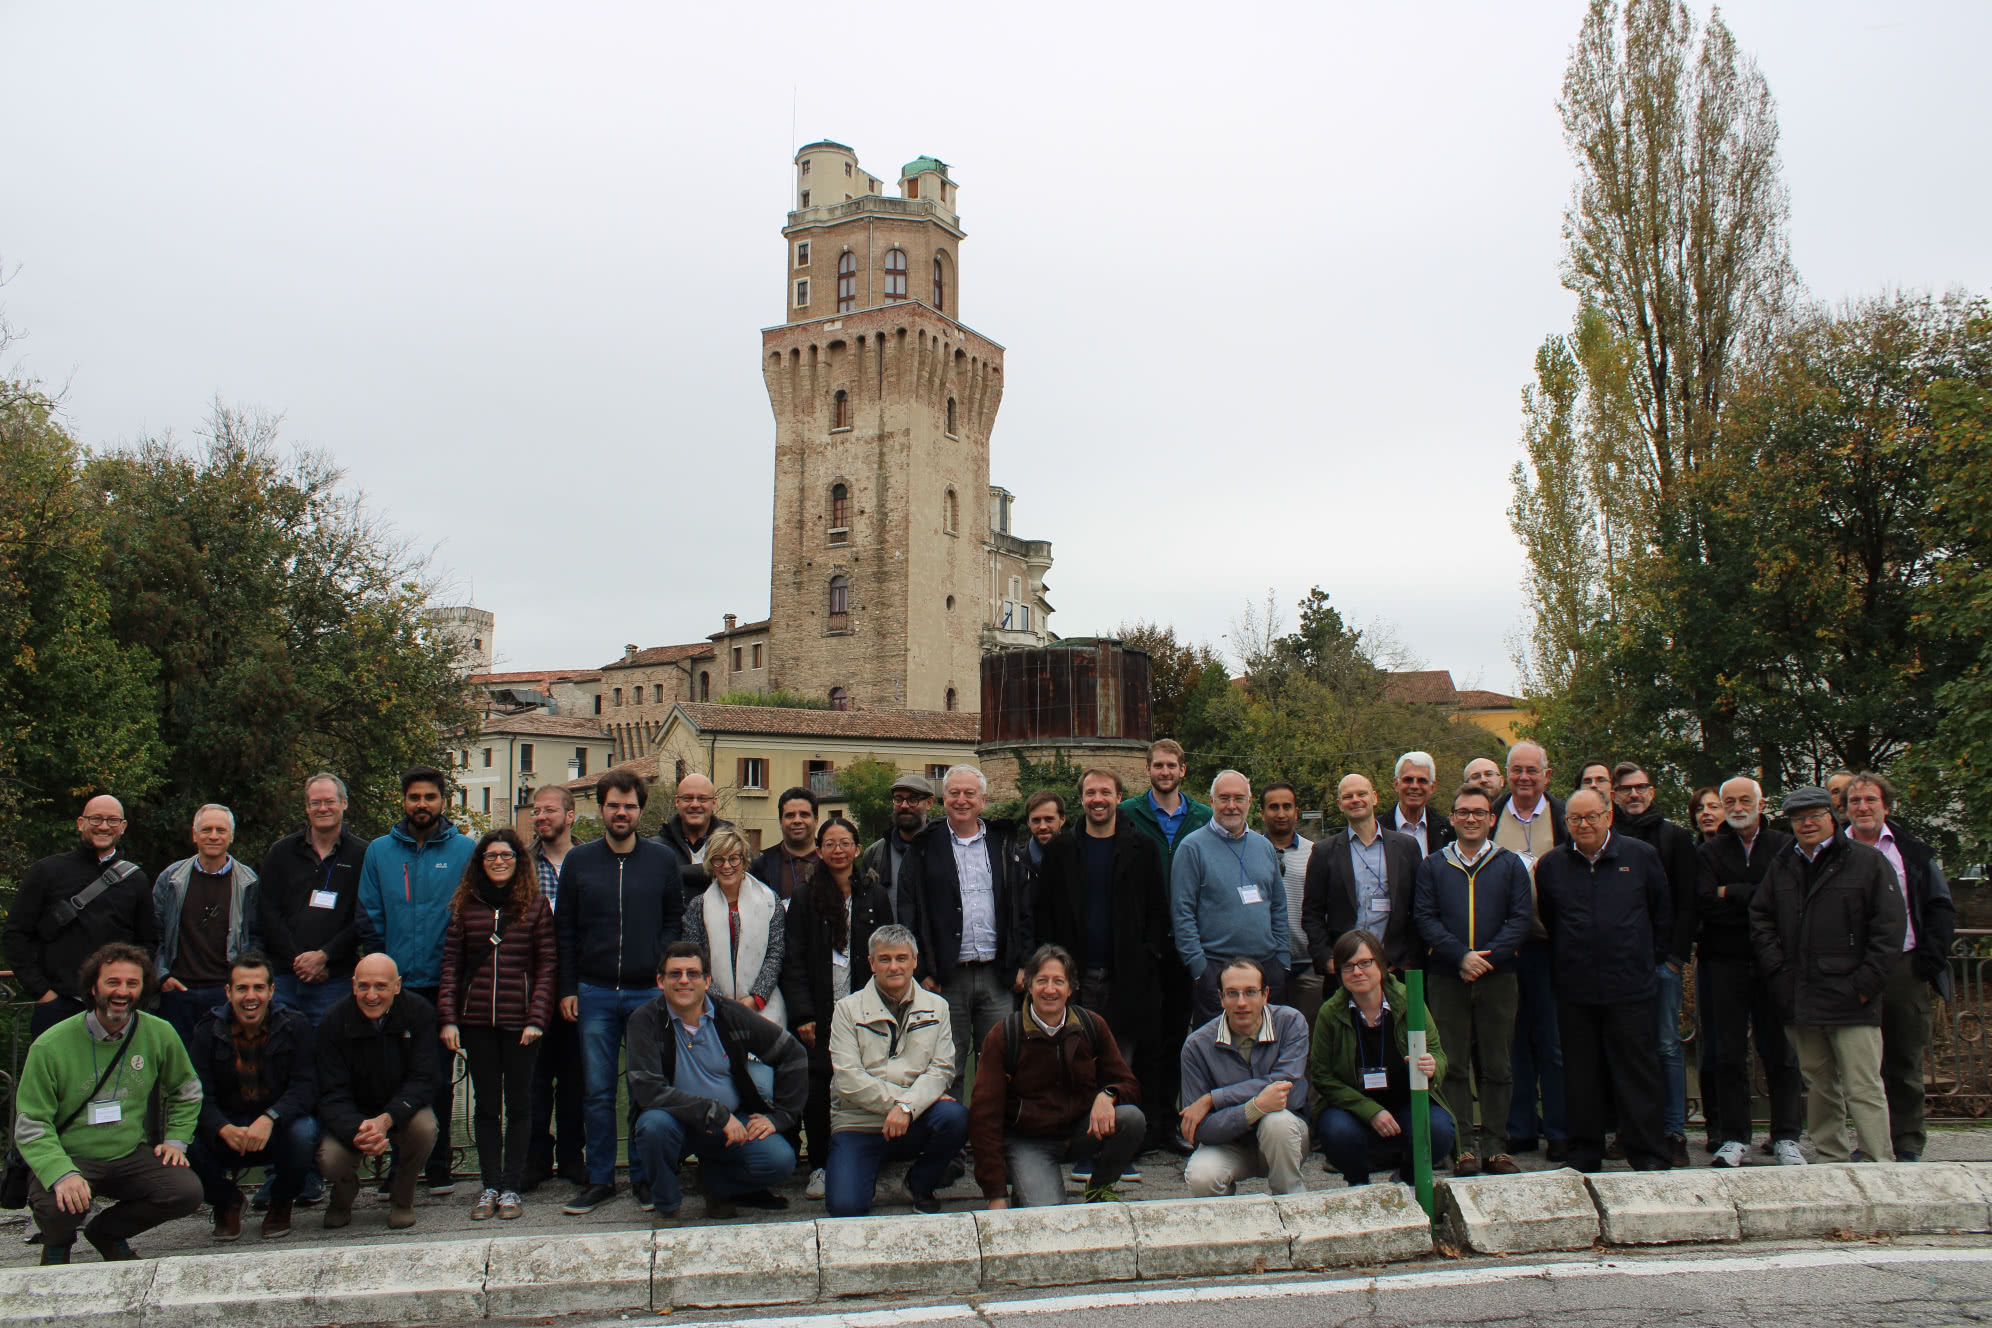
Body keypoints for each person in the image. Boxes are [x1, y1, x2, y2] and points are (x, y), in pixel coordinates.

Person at [15, 942, 202, 1264]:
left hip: (129, 1152)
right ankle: (58, 1244)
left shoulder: (159, 1033)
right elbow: (31, 1124)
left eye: (132, 983)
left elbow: (188, 1090)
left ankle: (107, 1233)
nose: (122, 992)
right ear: (92, 987)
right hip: (72, 1155)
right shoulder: (50, 1045)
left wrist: (176, 1140)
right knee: (58, 1204)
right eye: (113, 982)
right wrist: (62, 1173)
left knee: (186, 1192)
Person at [1751, 785, 1905, 1164]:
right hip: (1802, 995)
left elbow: (1889, 929)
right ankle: (1831, 1159)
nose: (1807, 824)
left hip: (1853, 996)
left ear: (1831, 817)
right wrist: (1779, 972)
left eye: (1815, 816)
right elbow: (1761, 918)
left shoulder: (1867, 862)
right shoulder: (1783, 864)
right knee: (1820, 1084)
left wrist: (1866, 985)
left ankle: (1877, 1162)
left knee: (1863, 1085)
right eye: (1798, 818)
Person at [557, 768, 686, 1215]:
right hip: (592, 990)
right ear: (601, 808)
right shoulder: (579, 861)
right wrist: (567, 987)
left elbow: (674, 918)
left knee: (644, 1088)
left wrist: (661, 966)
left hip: (645, 994)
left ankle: (643, 1176)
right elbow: (565, 929)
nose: (621, 813)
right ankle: (599, 1179)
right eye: (613, 805)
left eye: (629, 806)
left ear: (641, 810)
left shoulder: (662, 860)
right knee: (596, 1091)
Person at [1534, 789, 1672, 1172]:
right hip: (1575, 988)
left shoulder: (1640, 856)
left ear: (1608, 817)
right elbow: (1550, 919)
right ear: (1566, 824)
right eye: (1575, 819)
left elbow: (1661, 913)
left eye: (1591, 817)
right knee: (1581, 1076)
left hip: (1631, 986)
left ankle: (1648, 1154)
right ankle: (1584, 1154)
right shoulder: (1552, 866)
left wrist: (1646, 959)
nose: (1584, 825)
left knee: (1637, 1074)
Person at [626, 941, 806, 1224]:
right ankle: (668, 1205)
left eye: (693, 973)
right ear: (660, 981)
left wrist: (781, 1117)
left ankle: (717, 1186)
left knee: (780, 1162)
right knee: (652, 1127)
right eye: (675, 974)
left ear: (707, 980)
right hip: (676, 1123)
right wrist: (714, 1113)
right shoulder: (644, 1021)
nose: (684, 980)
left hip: (732, 1125)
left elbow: (792, 1054)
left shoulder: (730, 1015)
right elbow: (648, 1091)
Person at [357, 766, 475, 1197]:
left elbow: (472, 915)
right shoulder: (379, 851)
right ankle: (397, 1167)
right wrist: (380, 973)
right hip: (393, 988)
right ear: (403, 801)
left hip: (442, 983)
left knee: (440, 1076)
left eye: (429, 797)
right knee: (391, 1077)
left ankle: (440, 1165)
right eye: (414, 797)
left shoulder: (466, 850)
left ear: (443, 801)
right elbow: (369, 915)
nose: (421, 805)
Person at [1412, 784, 1532, 1176]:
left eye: (1479, 812)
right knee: (1453, 1064)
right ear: (1453, 817)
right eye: (1463, 812)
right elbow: (1425, 919)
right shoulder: (1433, 865)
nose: (1471, 819)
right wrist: (1460, 955)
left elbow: (1520, 920)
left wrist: (1488, 958)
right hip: (1448, 976)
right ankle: (1462, 1147)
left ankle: (1497, 1146)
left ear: (1491, 818)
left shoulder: (1510, 864)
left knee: (1498, 1063)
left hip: (1499, 977)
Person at [438, 827, 555, 1220]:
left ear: (518, 862)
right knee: (486, 1106)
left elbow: (546, 966)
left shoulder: (534, 905)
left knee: (520, 1105)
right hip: (477, 1022)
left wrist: (537, 1017)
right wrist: (449, 1019)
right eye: (491, 856)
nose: (500, 862)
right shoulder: (466, 905)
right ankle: (489, 1185)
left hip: (521, 1022)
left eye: (507, 856)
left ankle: (512, 1187)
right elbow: (452, 966)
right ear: (480, 863)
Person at [969, 945, 1143, 1207]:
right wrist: (995, 1194)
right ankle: (1020, 1184)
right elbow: (984, 1116)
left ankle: (1098, 1190)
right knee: (1050, 1217)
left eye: (1058, 982)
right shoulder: (1004, 1035)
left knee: (1132, 1119)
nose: (1049, 990)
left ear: (1070, 988)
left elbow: (1128, 1084)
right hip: (1028, 1141)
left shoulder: (1092, 1025)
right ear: (1029, 986)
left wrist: (1108, 1095)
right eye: (1042, 981)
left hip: (1078, 1131)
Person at [1033, 768, 1169, 1093]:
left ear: (1119, 798)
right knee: (1071, 1060)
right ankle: (1078, 1135)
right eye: (1091, 793)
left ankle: (1121, 1133)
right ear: (1081, 799)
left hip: (1126, 975)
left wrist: (1148, 955)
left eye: (1105, 793)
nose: (1098, 800)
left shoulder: (1143, 849)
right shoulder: (1060, 851)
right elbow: (1044, 913)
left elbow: (1157, 911)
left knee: (1121, 1064)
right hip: (1074, 975)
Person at [1845, 772, 1955, 1163]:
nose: (1862, 807)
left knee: (1904, 1058)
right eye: (1855, 801)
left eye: (1869, 800)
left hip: (1904, 968)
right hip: (1851, 969)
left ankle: (1907, 1141)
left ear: (1885, 806)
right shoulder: (1833, 850)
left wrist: (1930, 959)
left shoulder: (1912, 852)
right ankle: (1871, 1143)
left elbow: (1940, 907)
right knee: (1859, 1063)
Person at [825, 924, 968, 1217]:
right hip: (858, 1122)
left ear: (915, 961)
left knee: (955, 1118)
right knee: (845, 1208)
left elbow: (942, 1070)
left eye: (902, 958)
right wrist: (903, 1103)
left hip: (913, 1119)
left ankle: (918, 1184)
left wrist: (907, 1109)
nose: (894, 966)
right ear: (871, 964)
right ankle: (860, 1172)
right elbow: (848, 1079)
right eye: (885, 959)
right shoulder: (846, 1010)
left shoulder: (937, 1007)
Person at [1697, 776, 1804, 1167]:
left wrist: (1733, 891)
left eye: (1745, 800)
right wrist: (1757, 893)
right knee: (1726, 1052)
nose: (1737, 807)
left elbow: (1787, 899)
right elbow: (1706, 902)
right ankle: (1734, 1136)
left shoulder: (1783, 846)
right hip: (1722, 960)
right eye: (1729, 801)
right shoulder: (1711, 851)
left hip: (1775, 961)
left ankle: (1786, 1135)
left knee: (1779, 1051)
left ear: (1761, 804)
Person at [782, 818, 891, 1200]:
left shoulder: (874, 896)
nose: (838, 850)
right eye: (830, 844)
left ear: (858, 848)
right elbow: (792, 958)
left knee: (867, 1079)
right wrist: (802, 1013)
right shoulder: (805, 895)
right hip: (820, 1008)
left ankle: (868, 1159)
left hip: (865, 1009)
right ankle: (820, 1164)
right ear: (820, 850)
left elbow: (888, 953)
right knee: (818, 1086)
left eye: (845, 843)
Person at [917, 765, 1033, 1099]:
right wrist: (925, 969)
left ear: (983, 800)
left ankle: (990, 1142)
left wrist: (1023, 963)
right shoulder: (927, 846)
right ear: (943, 799)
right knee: (946, 1065)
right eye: (954, 793)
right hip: (946, 976)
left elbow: (1021, 909)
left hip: (998, 975)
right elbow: (915, 910)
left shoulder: (1003, 843)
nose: (962, 800)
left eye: (970, 794)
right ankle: (952, 1144)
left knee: (999, 1063)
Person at [187, 952, 319, 1241]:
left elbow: (305, 1087)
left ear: (271, 990)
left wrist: (271, 1118)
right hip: (227, 1126)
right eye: (242, 988)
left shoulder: (294, 1026)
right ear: (228, 992)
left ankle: (281, 1202)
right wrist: (221, 1126)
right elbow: (197, 1094)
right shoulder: (207, 1031)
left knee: (304, 1131)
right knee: (184, 1140)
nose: (251, 996)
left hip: (275, 1125)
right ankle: (226, 1201)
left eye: (259, 988)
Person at [1120, 738, 1211, 1153]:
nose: (1165, 772)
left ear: (1183, 770)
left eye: (1172, 765)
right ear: (1148, 770)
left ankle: (1169, 1122)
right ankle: (1141, 1124)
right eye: (1158, 765)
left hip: (1190, 942)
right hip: (1144, 943)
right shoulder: (1129, 815)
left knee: (1178, 1036)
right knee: (1143, 1035)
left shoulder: (1203, 817)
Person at [1310, 929, 1456, 1188]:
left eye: (1365, 963)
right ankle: (1359, 1185)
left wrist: (1433, 1067)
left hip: (1406, 1102)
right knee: (1336, 1132)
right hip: (1354, 1107)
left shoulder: (1409, 1001)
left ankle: (1409, 1181)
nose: (1357, 972)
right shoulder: (1330, 1013)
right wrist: (1371, 1111)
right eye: (1348, 966)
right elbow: (1322, 1076)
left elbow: (1437, 1054)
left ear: (1381, 964)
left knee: (1439, 1130)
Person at [4, 795, 157, 1041]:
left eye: (112, 820)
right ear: (80, 823)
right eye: (96, 819)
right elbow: (15, 935)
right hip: (57, 1005)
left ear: (123, 827)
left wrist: (128, 992)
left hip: (115, 1008)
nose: (104, 826)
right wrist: (42, 992)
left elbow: (147, 943)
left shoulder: (136, 880)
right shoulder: (46, 872)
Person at [1610, 761, 1699, 1168]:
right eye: (1626, 789)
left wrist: (1674, 958)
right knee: (1628, 1048)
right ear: (1613, 795)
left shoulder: (1675, 838)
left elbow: (1686, 901)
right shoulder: (1608, 838)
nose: (1634, 795)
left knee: (1665, 1044)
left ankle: (1673, 1130)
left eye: (1641, 787)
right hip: (1618, 965)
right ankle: (1633, 1129)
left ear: (1652, 792)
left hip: (1661, 962)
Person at [315, 953, 441, 1230]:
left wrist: (386, 1120)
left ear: (397, 985)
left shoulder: (419, 1013)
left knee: (426, 1128)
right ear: (353, 985)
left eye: (381, 986)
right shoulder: (333, 1021)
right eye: (364, 986)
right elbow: (330, 1092)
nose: (371, 995)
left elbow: (424, 1079)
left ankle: (403, 1198)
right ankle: (343, 1195)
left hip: (399, 1112)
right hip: (354, 1117)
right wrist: (359, 1129)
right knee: (330, 1158)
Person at [1179, 956, 1311, 1196]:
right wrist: (1255, 1107)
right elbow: (1199, 1130)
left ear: (1265, 994)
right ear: (1220, 998)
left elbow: (1286, 1091)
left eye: (1251, 992)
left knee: (1277, 1122)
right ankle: (1229, 1228)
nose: (1241, 1002)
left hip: (1284, 1139)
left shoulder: (1291, 1023)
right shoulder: (1196, 1046)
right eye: (1232, 993)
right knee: (1201, 1177)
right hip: (1229, 1145)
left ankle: (1291, 1204)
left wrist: (1214, 1099)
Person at [1493, 741, 1569, 1159]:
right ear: (1507, 775)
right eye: (1517, 770)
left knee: (1553, 1042)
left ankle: (1559, 1129)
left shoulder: (1564, 818)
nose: (1524, 778)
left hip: (1551, 946)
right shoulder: (1491, 816)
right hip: (1505, 949)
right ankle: (1519, 1127)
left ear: (1547, 775)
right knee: (1512, 1041)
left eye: (1532, 771)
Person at [1174, 771, 1289, 1024]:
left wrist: (1282, 961)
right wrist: (1199, 969)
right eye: (1224, 798)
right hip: (1216, 969)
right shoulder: (1192, 848)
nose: (1231, 806)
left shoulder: (1264, 846)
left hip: (1266, 967)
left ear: (1249, 803)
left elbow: (1279, 907)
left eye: (1239, 798)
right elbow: (1182, 913)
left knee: (1268, 1046)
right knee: (1220, 1052)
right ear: (1211, 801)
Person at [258, 773, 368, 1029]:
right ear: (307, 808)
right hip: (285, 977)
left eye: (329, 801)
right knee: (282, 1049)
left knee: (328, 1055)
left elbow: (364, 916)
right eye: (315, 803)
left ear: (344, 803)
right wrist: (298, 961)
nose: (323, 808)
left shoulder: (363, 854)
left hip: (335, 978)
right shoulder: (281, 852)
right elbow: (267, 911)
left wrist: (324, 956)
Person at [154, 804, 262, 1045]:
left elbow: (255, 936)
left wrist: (241, 982)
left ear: (231, 836)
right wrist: (162, 977)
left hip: (224, 992)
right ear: (194, 835)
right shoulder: (171, 879)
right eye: (206, 830)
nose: (213, 835)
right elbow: (156, 933)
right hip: (178, 991)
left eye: (220, 830)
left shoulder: (248, 881)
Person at [524, 783, 585, 1191]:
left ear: (570, 815)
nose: (540, 817)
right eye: (535, 811)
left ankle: (572, 1157)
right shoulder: (520, 865)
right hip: (530, 987)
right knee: (533, 1078)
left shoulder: (591, 861)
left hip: (581, 985)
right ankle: (534, 1159)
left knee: (577, 1077)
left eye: (548, 810)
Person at [1302, 773, 1421, 977]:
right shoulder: (1324, 852)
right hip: (1345, 969)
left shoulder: (1406, 847)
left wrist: (1408, 959)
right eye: (1348, 796)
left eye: (1362, 794)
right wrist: (1326, 959)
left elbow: (1418, 907)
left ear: (1374, 797)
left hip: (1394, 967)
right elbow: (1312, 914)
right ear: (1340, 804)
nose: (1355, 800)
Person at [684, 827, 787, 1026]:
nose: (727, 866)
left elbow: (775, 952)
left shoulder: (769, 901)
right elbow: (694, 958)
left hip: (763, 1006)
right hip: (712, 1007)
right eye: (719, 859)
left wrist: (755, 998)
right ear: (710, 864)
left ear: (744, 860)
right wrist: (720, 1002)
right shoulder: (698, 906)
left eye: (734, 858)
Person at [1259, 781, 1323, 1027]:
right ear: (1262, 812)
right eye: (1274, 807)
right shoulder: (1251, 851)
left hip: (1308, 965)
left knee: (1307, 1037)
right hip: (1266, 963)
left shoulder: (1315, 853)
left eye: (1287, 806)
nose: (1281, 813)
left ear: (1297, 811)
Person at [858, 773, 931, 931]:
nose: (904, 806)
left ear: (929, 803)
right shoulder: (874, 854)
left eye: (913, 799)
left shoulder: (943, 848)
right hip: (890, 949)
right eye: (898, 799)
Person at [655, 772, 733, 895]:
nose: (695, 805)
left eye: (702, 799)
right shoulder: (657, 849)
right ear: (677, 802)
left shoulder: (732, 845)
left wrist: (676, 872)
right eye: (687, 798)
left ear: (714, 802)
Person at [752, 787, 819, 902]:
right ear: (780, 821)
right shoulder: (759, 867)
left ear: (816, 820)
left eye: (804, 815)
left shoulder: (832, 861)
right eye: (790, 815)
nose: (797, 820)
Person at [1386, 752, 1455, 859]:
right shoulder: (1378, 829)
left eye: (1422, 780)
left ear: (1432, 787)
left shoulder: (1450, 830)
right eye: (1408, 779)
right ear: (1396, 784)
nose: (1414, 786)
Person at [1023, 791, 1066, 869]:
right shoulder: (1014, 865)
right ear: (1028, 822)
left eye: (1049, 819)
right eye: (1036, 820)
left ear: (1062, 820)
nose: (1043, 827)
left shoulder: (1080, 858)